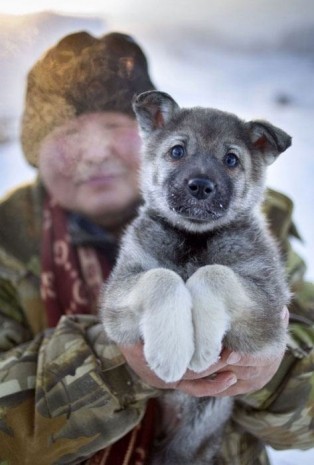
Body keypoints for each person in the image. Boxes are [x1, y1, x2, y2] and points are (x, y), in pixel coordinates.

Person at [0, 31, 313, 465]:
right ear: (37, 150)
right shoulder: (6, 242)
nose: (94, 152)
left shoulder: (265, 223)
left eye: (112, 126)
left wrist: (270, 366)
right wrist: (118, 360)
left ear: (147, 130)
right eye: (68, 132)